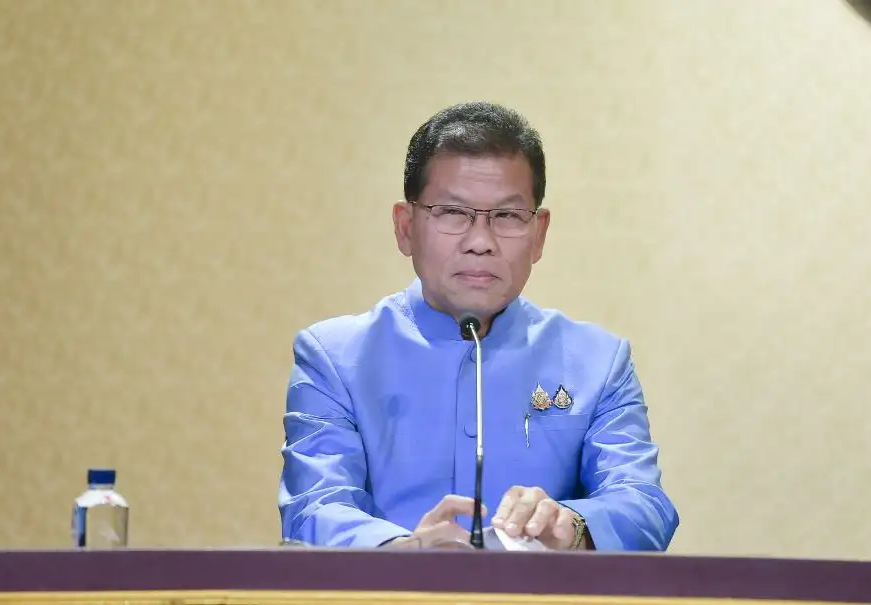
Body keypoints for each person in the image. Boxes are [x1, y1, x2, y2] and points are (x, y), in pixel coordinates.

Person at [278, 101, 678, 551]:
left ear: (539, 233)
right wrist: (402, 553)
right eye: (452, 212)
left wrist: (573, 526)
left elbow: (645, 506)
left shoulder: (598, 362)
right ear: (406, 227)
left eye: (507, 216)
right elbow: (313, 508)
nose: (481, 242)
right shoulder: (334, 357)